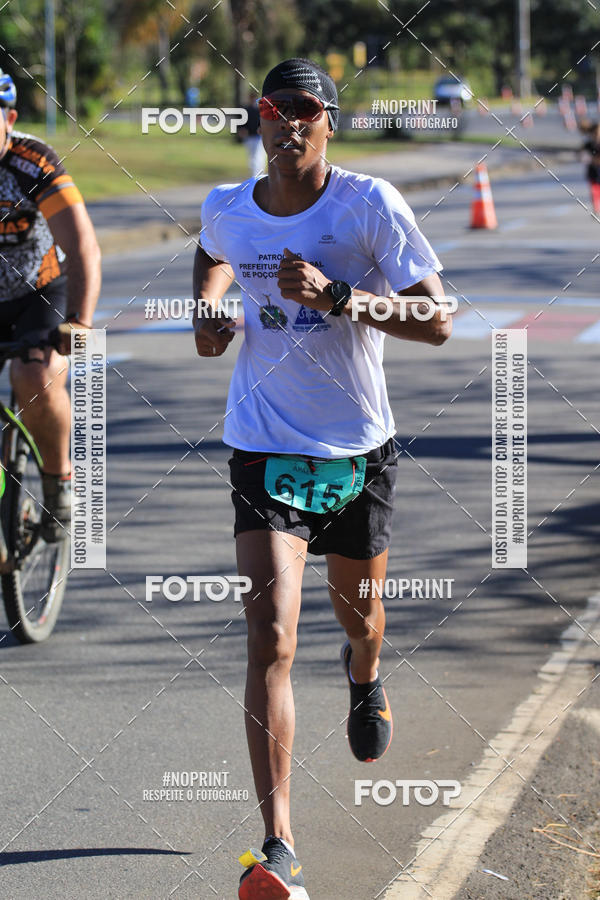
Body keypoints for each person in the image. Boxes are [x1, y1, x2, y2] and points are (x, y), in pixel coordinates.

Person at [193, 58, 452, 900]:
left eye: (305, 109)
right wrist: (208, 311)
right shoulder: (229, 207)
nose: (287, 122)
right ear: (258, 122)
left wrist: (344, 297)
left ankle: (367, 675)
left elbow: (439, 320)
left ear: (329, 121)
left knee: (362, 620)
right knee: (270, 634)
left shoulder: (368, 206)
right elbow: (212, 254)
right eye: (273, 109)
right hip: (262, 447)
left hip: (355, 454)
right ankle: (279, 847)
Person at [0, 69, 101, 541]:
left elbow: (81, 246)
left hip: (38, 291)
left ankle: (59, 480)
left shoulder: (31, 159)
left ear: (10, 119)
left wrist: (80, 321)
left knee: (34, 374)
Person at [237, 93, 267, 178]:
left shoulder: (260, 110)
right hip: (249, 137)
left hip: (258, 137)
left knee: (258, 156)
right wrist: (241, 130)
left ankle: (257, 175)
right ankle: (255, 174)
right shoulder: (246, 109)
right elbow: (241, 122)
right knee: (252, 157)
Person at [581, 121, 600, 213]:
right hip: (593, 171)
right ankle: (596, 208)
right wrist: (592, 159)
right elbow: (583, 156)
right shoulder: (588, 145)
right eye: (595, 133)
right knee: (594, 191)